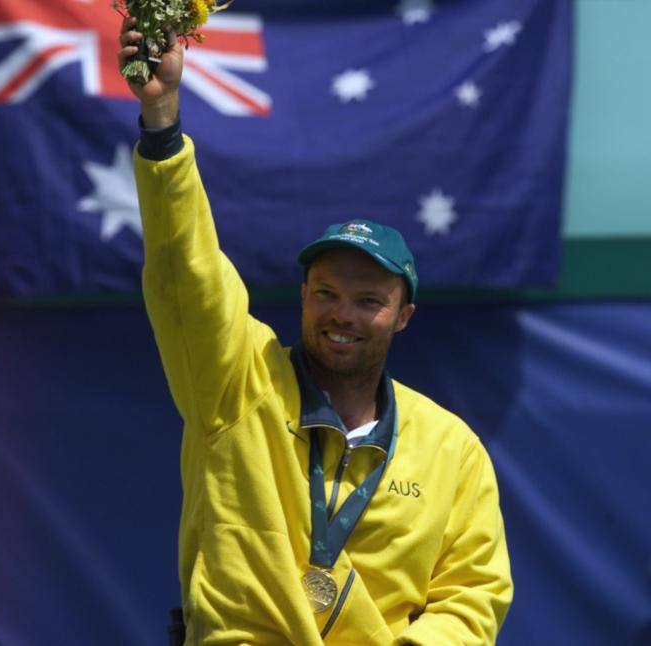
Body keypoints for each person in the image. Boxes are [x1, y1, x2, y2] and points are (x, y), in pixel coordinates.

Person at [118, 16, 513, 645]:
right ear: (303, 295)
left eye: (368, 301)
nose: (342, 315)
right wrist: (162, 122)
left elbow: (473, 595)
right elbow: (186, 278)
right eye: (326, 293)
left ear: (404, 316)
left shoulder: (451, 449)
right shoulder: (236, 382)